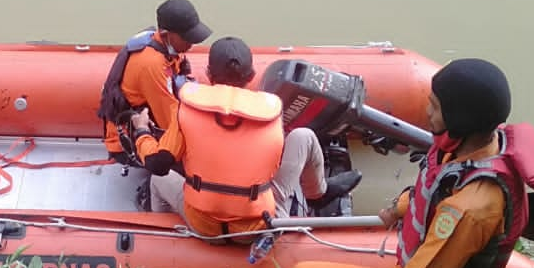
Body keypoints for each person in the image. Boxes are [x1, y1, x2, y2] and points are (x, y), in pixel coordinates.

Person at [288, 58, 534, 268]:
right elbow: (435, 184)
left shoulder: (472, 208)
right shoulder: (472, 147)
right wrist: (399, 208)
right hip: (421, 264)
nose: (427, 113)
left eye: (435, 107)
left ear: (459, 120)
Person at [128, 37, 361, 241]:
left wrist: (141, 132)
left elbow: (157, 163)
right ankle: (317, 194)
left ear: (209, 75)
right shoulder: (271, 111)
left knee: (159, 179)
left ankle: (161, 239)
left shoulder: (185, 110)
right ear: (251, 76)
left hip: (204, 225)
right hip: (259, 225)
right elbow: (273, 165)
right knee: (304, 136)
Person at [97, 0, 212, 166]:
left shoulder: (166, 46)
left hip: (152, 114)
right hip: (128, 143)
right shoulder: (151, 65)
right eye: (187, 38)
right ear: (166, 35)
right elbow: (171, 123)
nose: (192, 43)